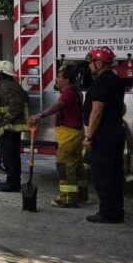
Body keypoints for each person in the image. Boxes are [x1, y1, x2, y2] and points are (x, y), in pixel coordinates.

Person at [29, 64, 86, 207]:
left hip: (69, 136)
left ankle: (68, 198)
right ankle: (81, 196)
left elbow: (57, 106)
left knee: (64, 166)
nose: (56, 80)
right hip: (75, 134)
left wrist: (40, 115)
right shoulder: (76, 92)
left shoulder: (68, 94)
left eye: (59, 77)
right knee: (77, 165)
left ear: (67, 81)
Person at [83, 45, 126, 223]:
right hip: (115, 131)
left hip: (104, 134)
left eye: (91, 62)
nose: (89, 66)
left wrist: (88, 136)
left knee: (102, 173)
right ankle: (116, 210)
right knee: (114, 173)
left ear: (99, 63)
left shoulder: (101, 83)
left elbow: (97, 111)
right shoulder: (116, 81)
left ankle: (108, 213)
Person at [0, 59, 30, 193]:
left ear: (2, 74)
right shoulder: (8, 85)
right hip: (8, 127)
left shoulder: (8, 86)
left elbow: (16, 105)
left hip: (9, 128)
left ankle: (13, 184)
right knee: (11, 156)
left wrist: (4, 120)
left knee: (10, 157)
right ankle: (12, 182)